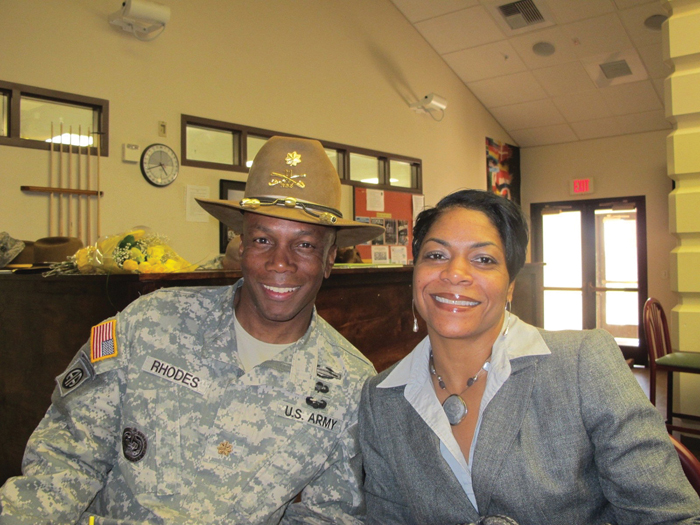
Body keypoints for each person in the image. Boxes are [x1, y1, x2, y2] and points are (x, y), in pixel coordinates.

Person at [0, 136, 384, 524]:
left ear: (330, 259)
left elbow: (328, 515)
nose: (278, 263)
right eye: (262, 239)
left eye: (304, 245)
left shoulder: (349, 383)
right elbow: (65, 458)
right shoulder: (149, 323)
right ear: (241, 246)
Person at [358, 189, 700, 525]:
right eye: (436, 255)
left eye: (483, 259)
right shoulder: (380, 398)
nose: (454, 273)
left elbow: (671, 516)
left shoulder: (583, 363)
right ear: (414, 273)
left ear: (510, 286)